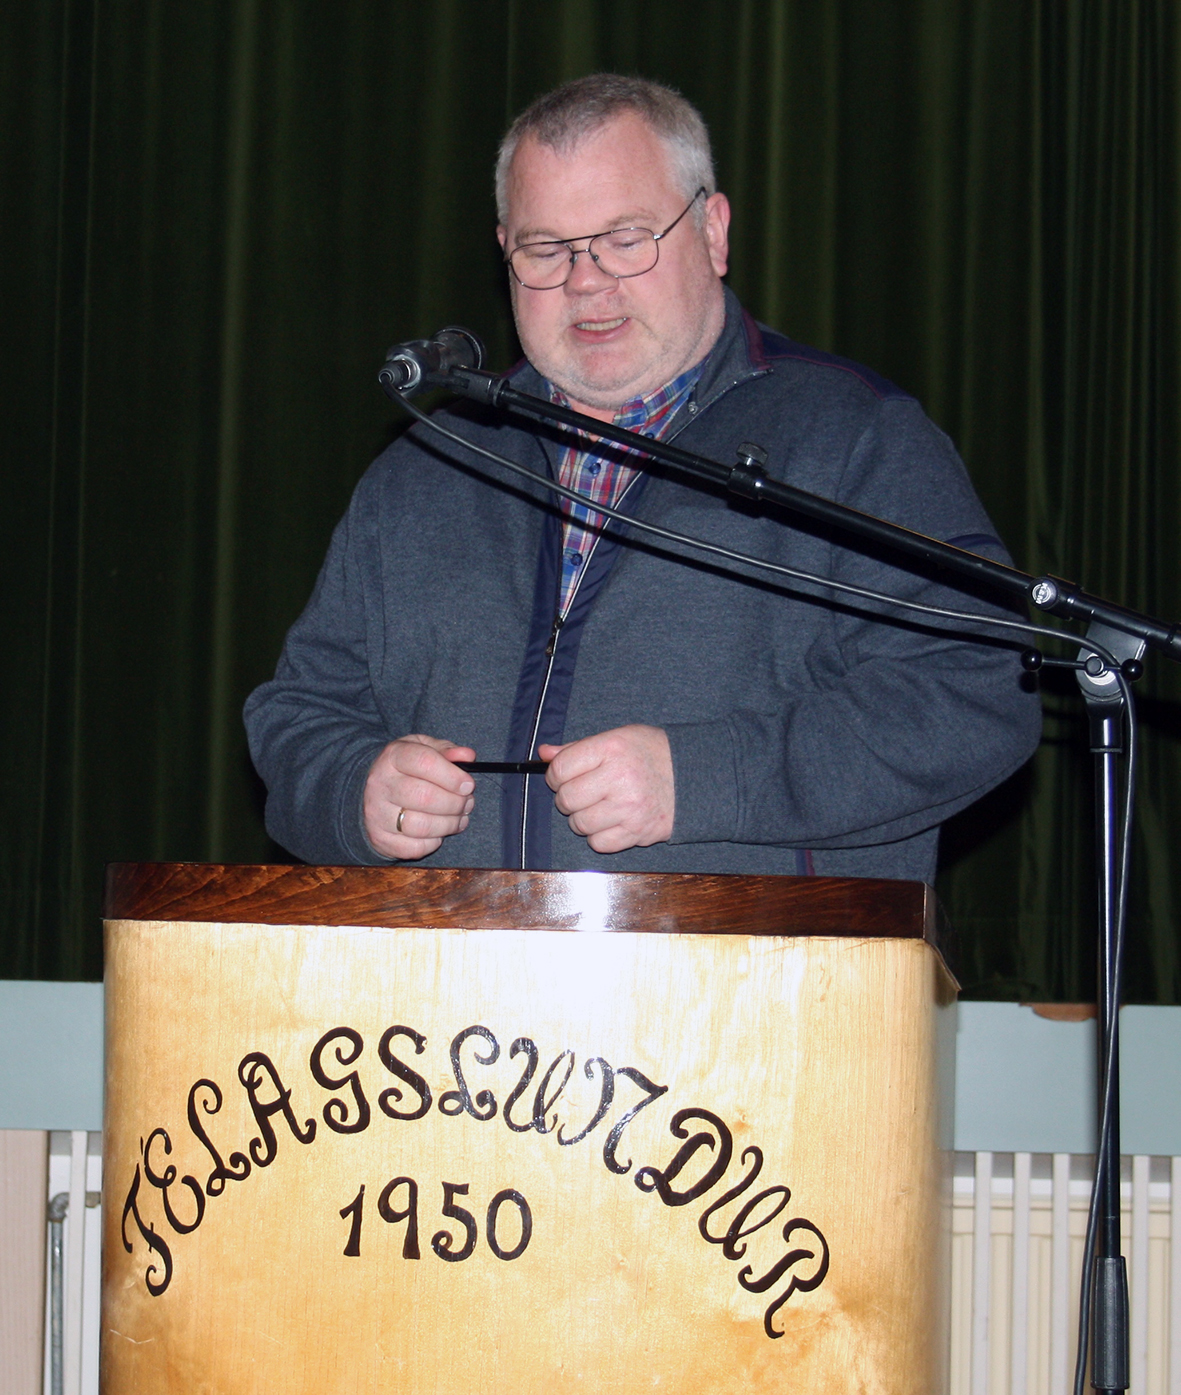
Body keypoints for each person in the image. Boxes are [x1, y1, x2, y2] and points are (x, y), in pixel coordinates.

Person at [244, 74, 1041, 883]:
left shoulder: (853, 439)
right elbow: (298, 714)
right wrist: (355, 790)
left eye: (625, 238)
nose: (585, 281)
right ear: (504, 253)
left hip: (772, 965)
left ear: (712, 231)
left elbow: (977, 691)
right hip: (457, 963)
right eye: (546, 250)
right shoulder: (427, 467)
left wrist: (700, 780)